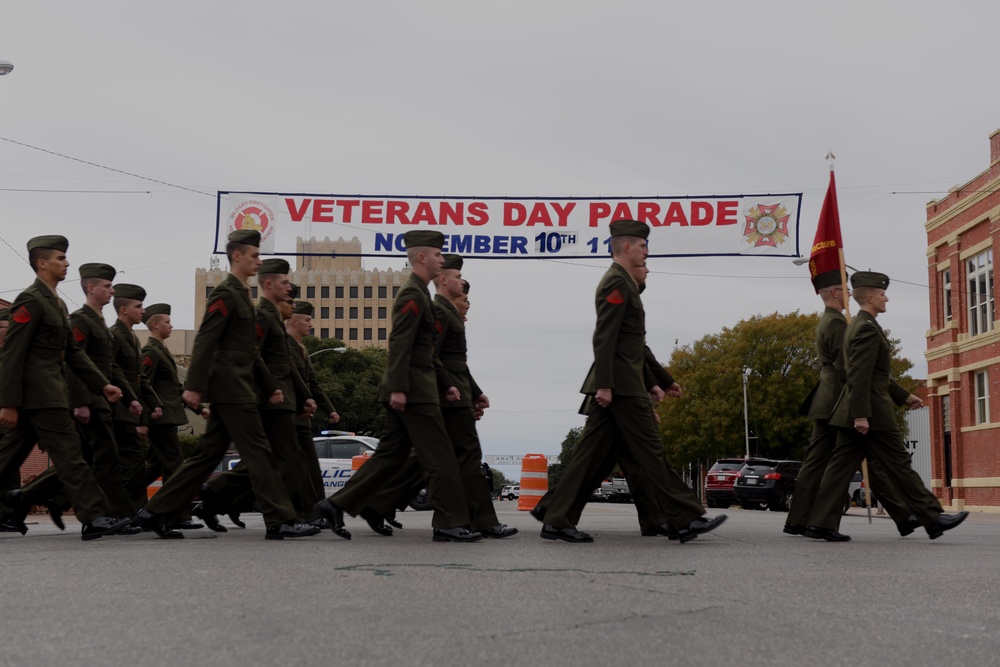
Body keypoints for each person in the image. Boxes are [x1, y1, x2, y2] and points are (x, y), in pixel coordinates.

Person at [530, 219, 726, 542]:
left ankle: (556, 516)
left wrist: (656, 382)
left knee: (591, 457)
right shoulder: (616, 283)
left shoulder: (622, 282)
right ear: (626, 247)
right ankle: (686, 517)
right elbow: (604, 338)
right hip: (620, 386)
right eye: (643, 246)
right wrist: (606, 384)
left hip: (624, 383)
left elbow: (632, 345)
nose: (647, 252)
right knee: (650, 452)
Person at [135, 229, 319, 540]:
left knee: (205, 455)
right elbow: (208, 337)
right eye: (254, 255)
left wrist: (269, 383)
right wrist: (194, 386)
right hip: (230, 386)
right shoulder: (226, 293)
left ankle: (156, 511)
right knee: (260, 452)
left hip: (238, 385)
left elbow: (250, 350)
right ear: (237, 256)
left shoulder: (241, 294)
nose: (258, 261)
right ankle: (280, 519)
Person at [314, 230, 481, 542]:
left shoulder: (420, 293)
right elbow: (400, 343)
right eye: (437, 255)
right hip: (414, 390)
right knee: (440, 455)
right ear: (422, 258)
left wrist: (446, 385)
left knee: (390, 454)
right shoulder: (412, 294)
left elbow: (425, 350)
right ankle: (448, 522)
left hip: (417, 386)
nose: (441, 260)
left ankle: (334, 504)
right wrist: (400, 388)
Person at [803, 271, 969, 541]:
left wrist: (903, 396)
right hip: (871, 410)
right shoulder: (866, 328)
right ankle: (932, 516)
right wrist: (861, 414)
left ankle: (819, 523)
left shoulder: (857, 324)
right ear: (870, 296)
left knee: (839, 469)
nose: (886, 298)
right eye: (882, 294)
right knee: (899, 463)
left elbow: (857, 371)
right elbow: (858, 375)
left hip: (851, 409)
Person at [0, 235, 131, 540]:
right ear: (42, 263)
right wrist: (7, 402)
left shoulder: (56, 302)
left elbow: (74, 353)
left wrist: (103, 385)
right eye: (60, 258)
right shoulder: (31, 300)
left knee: (6, 459)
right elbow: (13, 352)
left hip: (47, 393)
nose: (67, 262)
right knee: (72, 455)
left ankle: (94, 516)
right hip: (39, 394)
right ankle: (95, 517)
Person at [785, 270, 931, 537]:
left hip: (827, 398)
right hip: (840, 398)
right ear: (833, 293)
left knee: (826, 461)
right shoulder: (838, 323)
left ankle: (801, 519)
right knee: (867, 459)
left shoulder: (827, 320)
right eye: (844, 290)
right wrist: (900, 395)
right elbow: (853, 369)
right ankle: (904, 515)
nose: (849, 295)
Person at [200, 259, 316, 527]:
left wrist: (304, 396)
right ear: (269, 284)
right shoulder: (262, 314)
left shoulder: (271, 316)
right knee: (282, 460)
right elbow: (254, 356)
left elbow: (286, 368)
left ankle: (219, 496)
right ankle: (286, 517)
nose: (289, 293)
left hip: (280, 399)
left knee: (272, 460)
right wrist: (269, 390)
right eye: (285, 285)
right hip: (269, 400)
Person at [141, 303, 204, 530]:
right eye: (167, 321)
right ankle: (174, 515)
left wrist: (200, 409)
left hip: (167, 417)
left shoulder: (161, 350)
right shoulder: (150, 352)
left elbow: (175, 389)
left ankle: (127, 505)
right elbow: (143, 385)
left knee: (154, 468)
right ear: (155, 324)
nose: (171, 325)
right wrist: (144, 420)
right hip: (160, 418)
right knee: (175, 467)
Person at [285, 294, 340, 525]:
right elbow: (291, 380)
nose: (312, 324)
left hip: (302, 415)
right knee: (293, 467)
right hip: (290, 413)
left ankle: (317, 513)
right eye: (307, 319)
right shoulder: (284, 345)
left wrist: (330, 410)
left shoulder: (303, 349)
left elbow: (312, 383)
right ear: (294, 321)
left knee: (308, 465)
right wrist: (305, 401)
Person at [110, 283, 163, 517]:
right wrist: (134, 403)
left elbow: (141, 378)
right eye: (138, 306)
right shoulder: (115, 335)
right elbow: (113, 371)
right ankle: (125, 512)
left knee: (132, 462)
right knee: (129, 461)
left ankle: (131, 511)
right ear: (123, 309)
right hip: (119, 407)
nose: (143, 310)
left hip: (131, 409)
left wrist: (154, 404)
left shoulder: (131, 338)